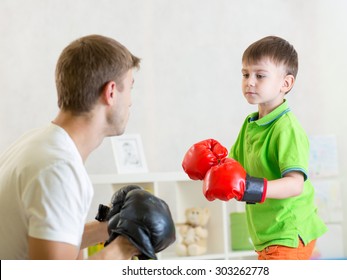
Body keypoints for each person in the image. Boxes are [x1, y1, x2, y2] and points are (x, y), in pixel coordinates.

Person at [0, 34, 175, 260]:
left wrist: (112, 225)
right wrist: (125, 246)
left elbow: (46, 239)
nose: (131, 101)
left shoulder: (37, 146)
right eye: (130, 88)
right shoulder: (58, 169)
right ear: (111, 92)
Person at [182, 36, 327, 260]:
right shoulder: (251, 125)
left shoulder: (286, 128)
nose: (250, 81)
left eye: (260, 75)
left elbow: (295, 184)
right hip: (267, 235)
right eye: (245, 74)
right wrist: (208, 166)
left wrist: (253, 188)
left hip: (288, 232)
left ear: (285, 83)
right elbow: (234, 167)